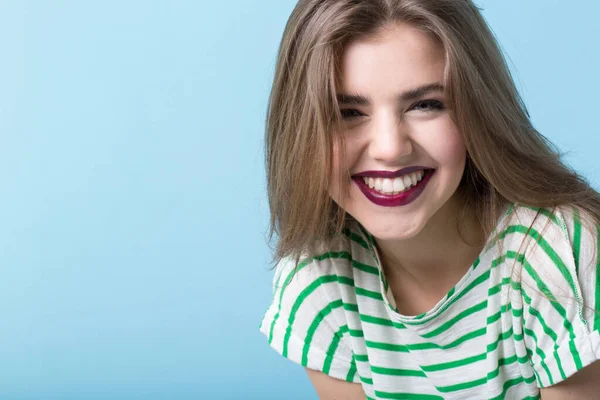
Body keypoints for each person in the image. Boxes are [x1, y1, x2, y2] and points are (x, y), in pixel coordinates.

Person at [259, 0, 600, 398]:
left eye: (425, 105)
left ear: (478, 111)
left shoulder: (556, 249)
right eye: (347, 111)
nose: (389, 149)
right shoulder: (317, 275)